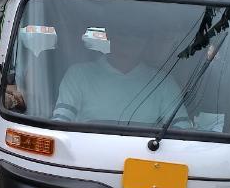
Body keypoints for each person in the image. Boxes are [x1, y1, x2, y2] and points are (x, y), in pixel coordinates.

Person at [52, 18, 190, 128]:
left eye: (137, 36)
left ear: (146, 42)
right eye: (122, 34)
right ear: (109, 36)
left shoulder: (163, 82)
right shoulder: (78, 74)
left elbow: (182, 129)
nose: (128, 43)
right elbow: (60, 123)